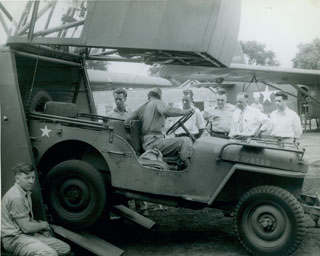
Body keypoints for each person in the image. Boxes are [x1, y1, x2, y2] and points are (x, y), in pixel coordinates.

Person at [1, 163, 71, 256]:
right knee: (50, 254)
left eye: (33, 177)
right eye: (27, 178)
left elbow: (27, 220)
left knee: (64, 249)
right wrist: (43, 225)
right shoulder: (16, 198)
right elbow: (26, 228)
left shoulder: (25, 192)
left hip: (26, 235)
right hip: (14, 240)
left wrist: (41, 227)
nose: (31, 181)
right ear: (17, 179)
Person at [124, 88, 193, 168]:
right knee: (185, 141)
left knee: (183, 140)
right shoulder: (158, 102)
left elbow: (126, 122)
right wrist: (185, 112)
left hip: (147, 143)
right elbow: (167, 110)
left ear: (149, 96)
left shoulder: (142, 107)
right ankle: (186, 169)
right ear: (160, 97)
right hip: (155, 143)